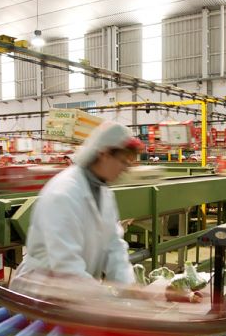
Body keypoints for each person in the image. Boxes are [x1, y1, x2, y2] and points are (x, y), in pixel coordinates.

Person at [10, 121, 143, 294]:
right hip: (42, 292)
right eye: (123, 161)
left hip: (76, 292)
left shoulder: (103, 192)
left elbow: (113, 246)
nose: (126, 169)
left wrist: (129, 286)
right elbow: (66, 267)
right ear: (104, 155)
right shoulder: (64, 193)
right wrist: (108, 298)